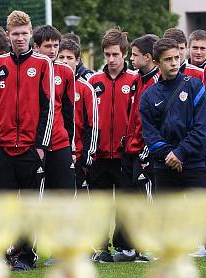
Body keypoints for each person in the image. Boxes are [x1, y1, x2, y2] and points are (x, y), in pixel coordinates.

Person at [0, 11, 54, 271]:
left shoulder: (42, 64)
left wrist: (40, 146)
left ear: (31, 33)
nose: (20, 38)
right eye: (15, 34)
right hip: (1, 148)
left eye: (25, 33)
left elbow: (49, 108)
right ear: (8, 35)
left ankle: (26, 255)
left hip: (29, 147)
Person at [88, 28, 142, 263]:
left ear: (124, 54)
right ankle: (101, 247)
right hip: (99, 154)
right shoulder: (93, 82)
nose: (111, 60)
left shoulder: (134, 81)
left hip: (123, 155)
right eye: (107, 55)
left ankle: (126, 245)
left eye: (115, 55)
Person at [140, 38, 206, 191]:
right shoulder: (148, 96)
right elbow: (150, 135)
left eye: (176, 58)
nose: (174, 63)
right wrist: (170, 155)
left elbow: (202, 127)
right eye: (168, 59)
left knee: (200, 215)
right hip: (164, 167)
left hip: (195, 165)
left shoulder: (195, 86)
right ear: (157, 63)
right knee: (167, 215)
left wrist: (180, 152)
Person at [33, 25, 76, 190]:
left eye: (56, 46)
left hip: (59, 143)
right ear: (36, 47)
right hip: (33, 144)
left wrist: (69, 144)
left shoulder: (65, 72)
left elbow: (68, 111)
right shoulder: (30, 69)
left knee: (64, 193)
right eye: (47, 46)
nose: (52, 50)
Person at [57, 39, 97, 191]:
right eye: (61, 57)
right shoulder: (50, 83)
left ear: (78, 60)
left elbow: (92, 125)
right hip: (55, 152)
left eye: (69, 58)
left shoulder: (86, 88)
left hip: (79, 156)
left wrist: (87, 156)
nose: (65, 61)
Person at [124, 33, 159, 195]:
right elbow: (133, 116)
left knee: (147, 201)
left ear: (148, 57)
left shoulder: (157, 82)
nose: (131, 58)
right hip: (132, 151)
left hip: (146, 154)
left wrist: (145, 150)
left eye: (135, 55)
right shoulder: (136, 80)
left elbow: (157, 122)